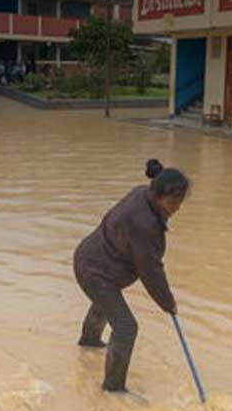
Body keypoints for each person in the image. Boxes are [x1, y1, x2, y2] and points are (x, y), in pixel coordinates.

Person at [73, 159, 190, 393]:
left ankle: (89, 344)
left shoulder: (142, 193)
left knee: (105, 304)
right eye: (174, 201)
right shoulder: (145, 225)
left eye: (180, 201)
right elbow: (151, 271)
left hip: (93, 260)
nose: (178, 207)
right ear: (158, 196)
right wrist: (168, 303)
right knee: (126, 327)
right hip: (96, 271)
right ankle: (113, 389)